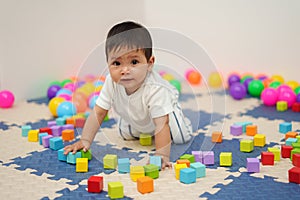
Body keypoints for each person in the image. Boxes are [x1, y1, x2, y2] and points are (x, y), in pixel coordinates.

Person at [64, 21, 193, 169]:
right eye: (117, 63)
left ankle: (178, 119)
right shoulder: (111, 82)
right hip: (138, 112)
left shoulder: (156, 89)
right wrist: (85, 140)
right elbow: (99, 112)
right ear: (108, 63)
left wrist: (162, 155)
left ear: (149, 63)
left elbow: (161, 123)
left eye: (134, 62)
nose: (125, 70)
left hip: (165, 110)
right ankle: (142, 125)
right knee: (125, 134)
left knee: (181, 137)